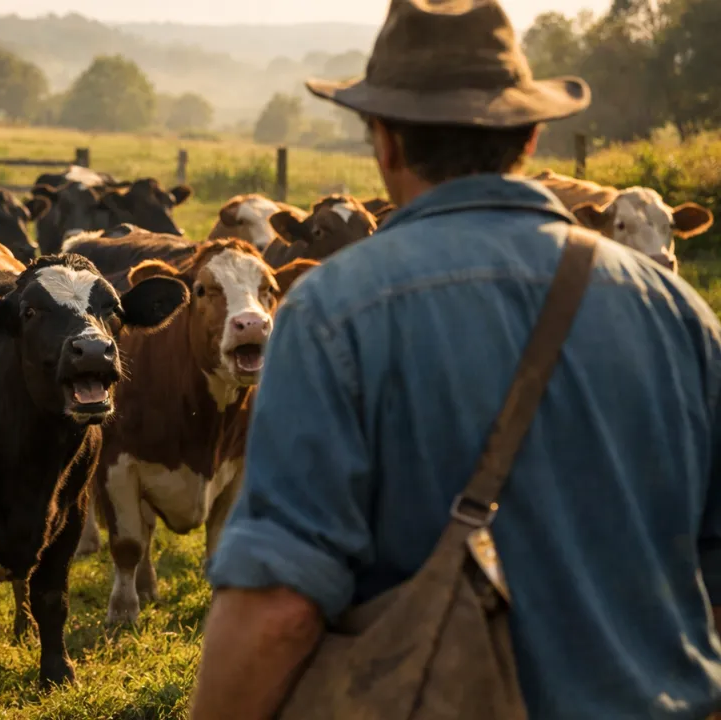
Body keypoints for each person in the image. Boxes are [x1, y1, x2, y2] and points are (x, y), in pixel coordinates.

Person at [189, 0, 721, 718]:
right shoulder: (679, 313)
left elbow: (279, 610)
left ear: (384, 143)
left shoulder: (329, 312)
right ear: (530, 138)